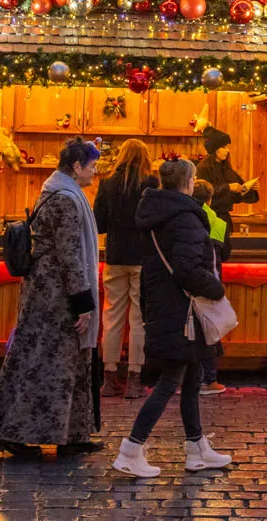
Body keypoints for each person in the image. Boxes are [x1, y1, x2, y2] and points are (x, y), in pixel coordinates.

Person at [0, 138, 103, 459]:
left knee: (70, 365)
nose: (95, 172)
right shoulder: (66, 200)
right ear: (76, 167)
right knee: (44, 366)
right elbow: (69, 255)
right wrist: (83, 302)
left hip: (47, 291)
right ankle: (16, 434)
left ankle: (72, 434)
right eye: (92, 166)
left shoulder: (56, 192)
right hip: (55, 298)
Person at [114, 158, 231, 479]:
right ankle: (131, 448)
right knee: (170, 382)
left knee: (192, 379)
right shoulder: (185, 218)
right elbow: (188, 270)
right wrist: (216, 288)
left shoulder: (157, 213)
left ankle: (197, 448)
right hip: (181, 311)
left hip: (167, 306)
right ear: (190, 181)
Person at [94, 138, 156, 397]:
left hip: (116, 256)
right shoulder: (150, 183)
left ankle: (109, 376)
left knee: (112, 316)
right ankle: (134, 377)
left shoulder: (108, 183)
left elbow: (99, 223)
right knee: (139, 318)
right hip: (142, 259)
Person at [195, 126, 259, 254]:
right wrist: (228, 187)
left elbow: (238, 193)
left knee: (224, 253)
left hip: (224, 218)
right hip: (209, 218)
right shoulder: (203, 167)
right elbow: (201, 192)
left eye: (228, 147)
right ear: (215, 148)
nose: (227, 150)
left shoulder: (227, 168)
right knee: (214, 253)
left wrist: (249, 189)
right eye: (224, 147)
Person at [189, 180, 226, 396]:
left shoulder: (183, 218)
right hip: (211, 281)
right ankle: (209, 378)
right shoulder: (218, 223)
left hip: (188, 282)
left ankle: (190, 378)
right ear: (210, 199)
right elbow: (225, 253)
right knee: (210, 329)